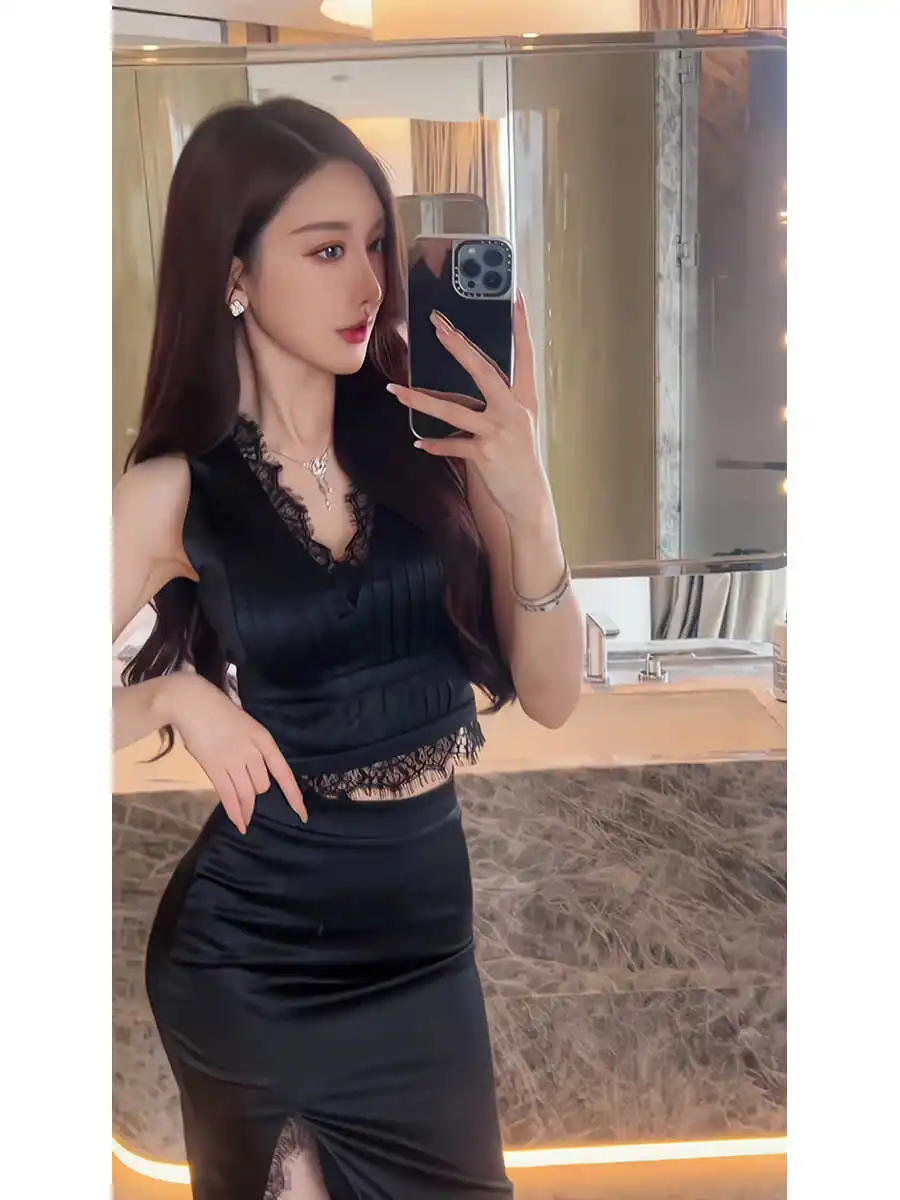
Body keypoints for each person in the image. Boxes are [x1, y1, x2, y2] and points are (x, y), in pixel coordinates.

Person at [113, 97, 584, 1200]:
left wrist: (530, 498)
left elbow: (554, 694)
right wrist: (176, 698)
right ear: (234, 273)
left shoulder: (435, 445)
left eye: (375, 245)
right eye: (326, 251)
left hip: (427, 952)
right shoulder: (172, 494)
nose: (369, 284)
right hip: (257, 960)